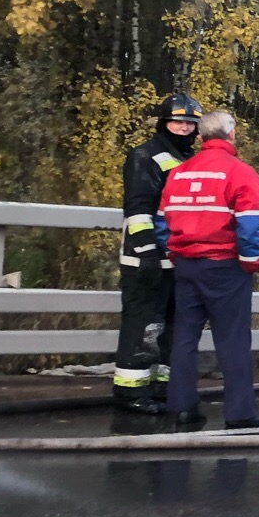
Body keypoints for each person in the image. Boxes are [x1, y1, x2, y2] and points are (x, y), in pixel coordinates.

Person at [156, 109, 259, 430]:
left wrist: (176, 253)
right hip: (225, 266)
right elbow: (250, 225)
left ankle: (181, 408)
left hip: (187, 267)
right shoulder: (241, 173)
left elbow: (161, 220)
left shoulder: (180, 172)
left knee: (184, 338)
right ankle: (239, 413)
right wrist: (250, 263)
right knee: (232, 340)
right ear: (231, 135)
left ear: (203, 136)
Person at [112, 92, 201, 413]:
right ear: (164, 123)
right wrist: (148, 251)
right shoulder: (145, 155)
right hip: (145, 259)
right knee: (142, 327)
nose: (184, 128)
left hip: (179, 259)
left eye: (190, 123)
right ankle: (131, 394)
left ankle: (164, 388)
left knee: (174, 328)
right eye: (178, 121)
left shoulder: (189, 160)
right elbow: (138, 209)